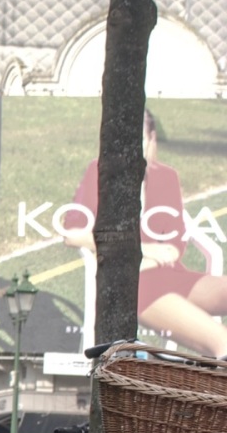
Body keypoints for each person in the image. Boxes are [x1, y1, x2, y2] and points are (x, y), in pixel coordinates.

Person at [66, 109, 227, 355]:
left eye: (138, 139)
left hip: (170, 276)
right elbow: (73, 233)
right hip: (132, 284)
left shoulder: (166, 176)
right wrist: (142, 253)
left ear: (151, 140)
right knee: (221, 341)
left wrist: (146, 259)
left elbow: (173, 246)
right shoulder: (97, 171)